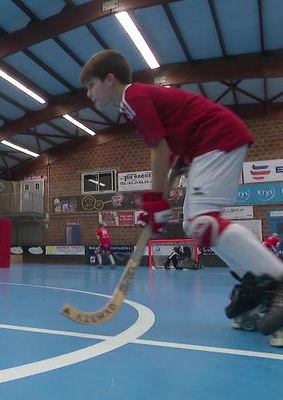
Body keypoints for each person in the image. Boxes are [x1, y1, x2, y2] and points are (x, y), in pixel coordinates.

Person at [79, 49, 283, 347]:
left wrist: (155, 201)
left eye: (90, 85)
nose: (88, 94)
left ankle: (276, 279)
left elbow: (158, 151)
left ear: (110, 80)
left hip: (217, 138)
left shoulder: (132, 98)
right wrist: (159, 203)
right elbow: (173, 159)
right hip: (204, 146)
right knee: (195, 226)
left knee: (203, 221)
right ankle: (258, 285)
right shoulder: (137, 100)